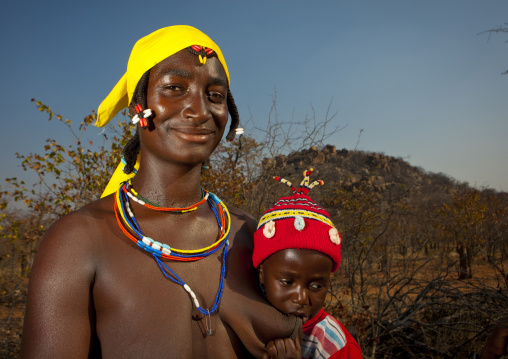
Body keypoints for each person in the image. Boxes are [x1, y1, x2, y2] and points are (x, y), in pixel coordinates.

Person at [20, 25, 299, 358]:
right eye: (174, 88)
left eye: (215, 95)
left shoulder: (250, 234)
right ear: (139, 106)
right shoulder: (77, 241)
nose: (199, 110)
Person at [253, 169, 363, 358]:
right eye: (287, 282)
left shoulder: (333, 345)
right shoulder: (247, 316)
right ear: (262, 274)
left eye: (316, 286)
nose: (302, 298)